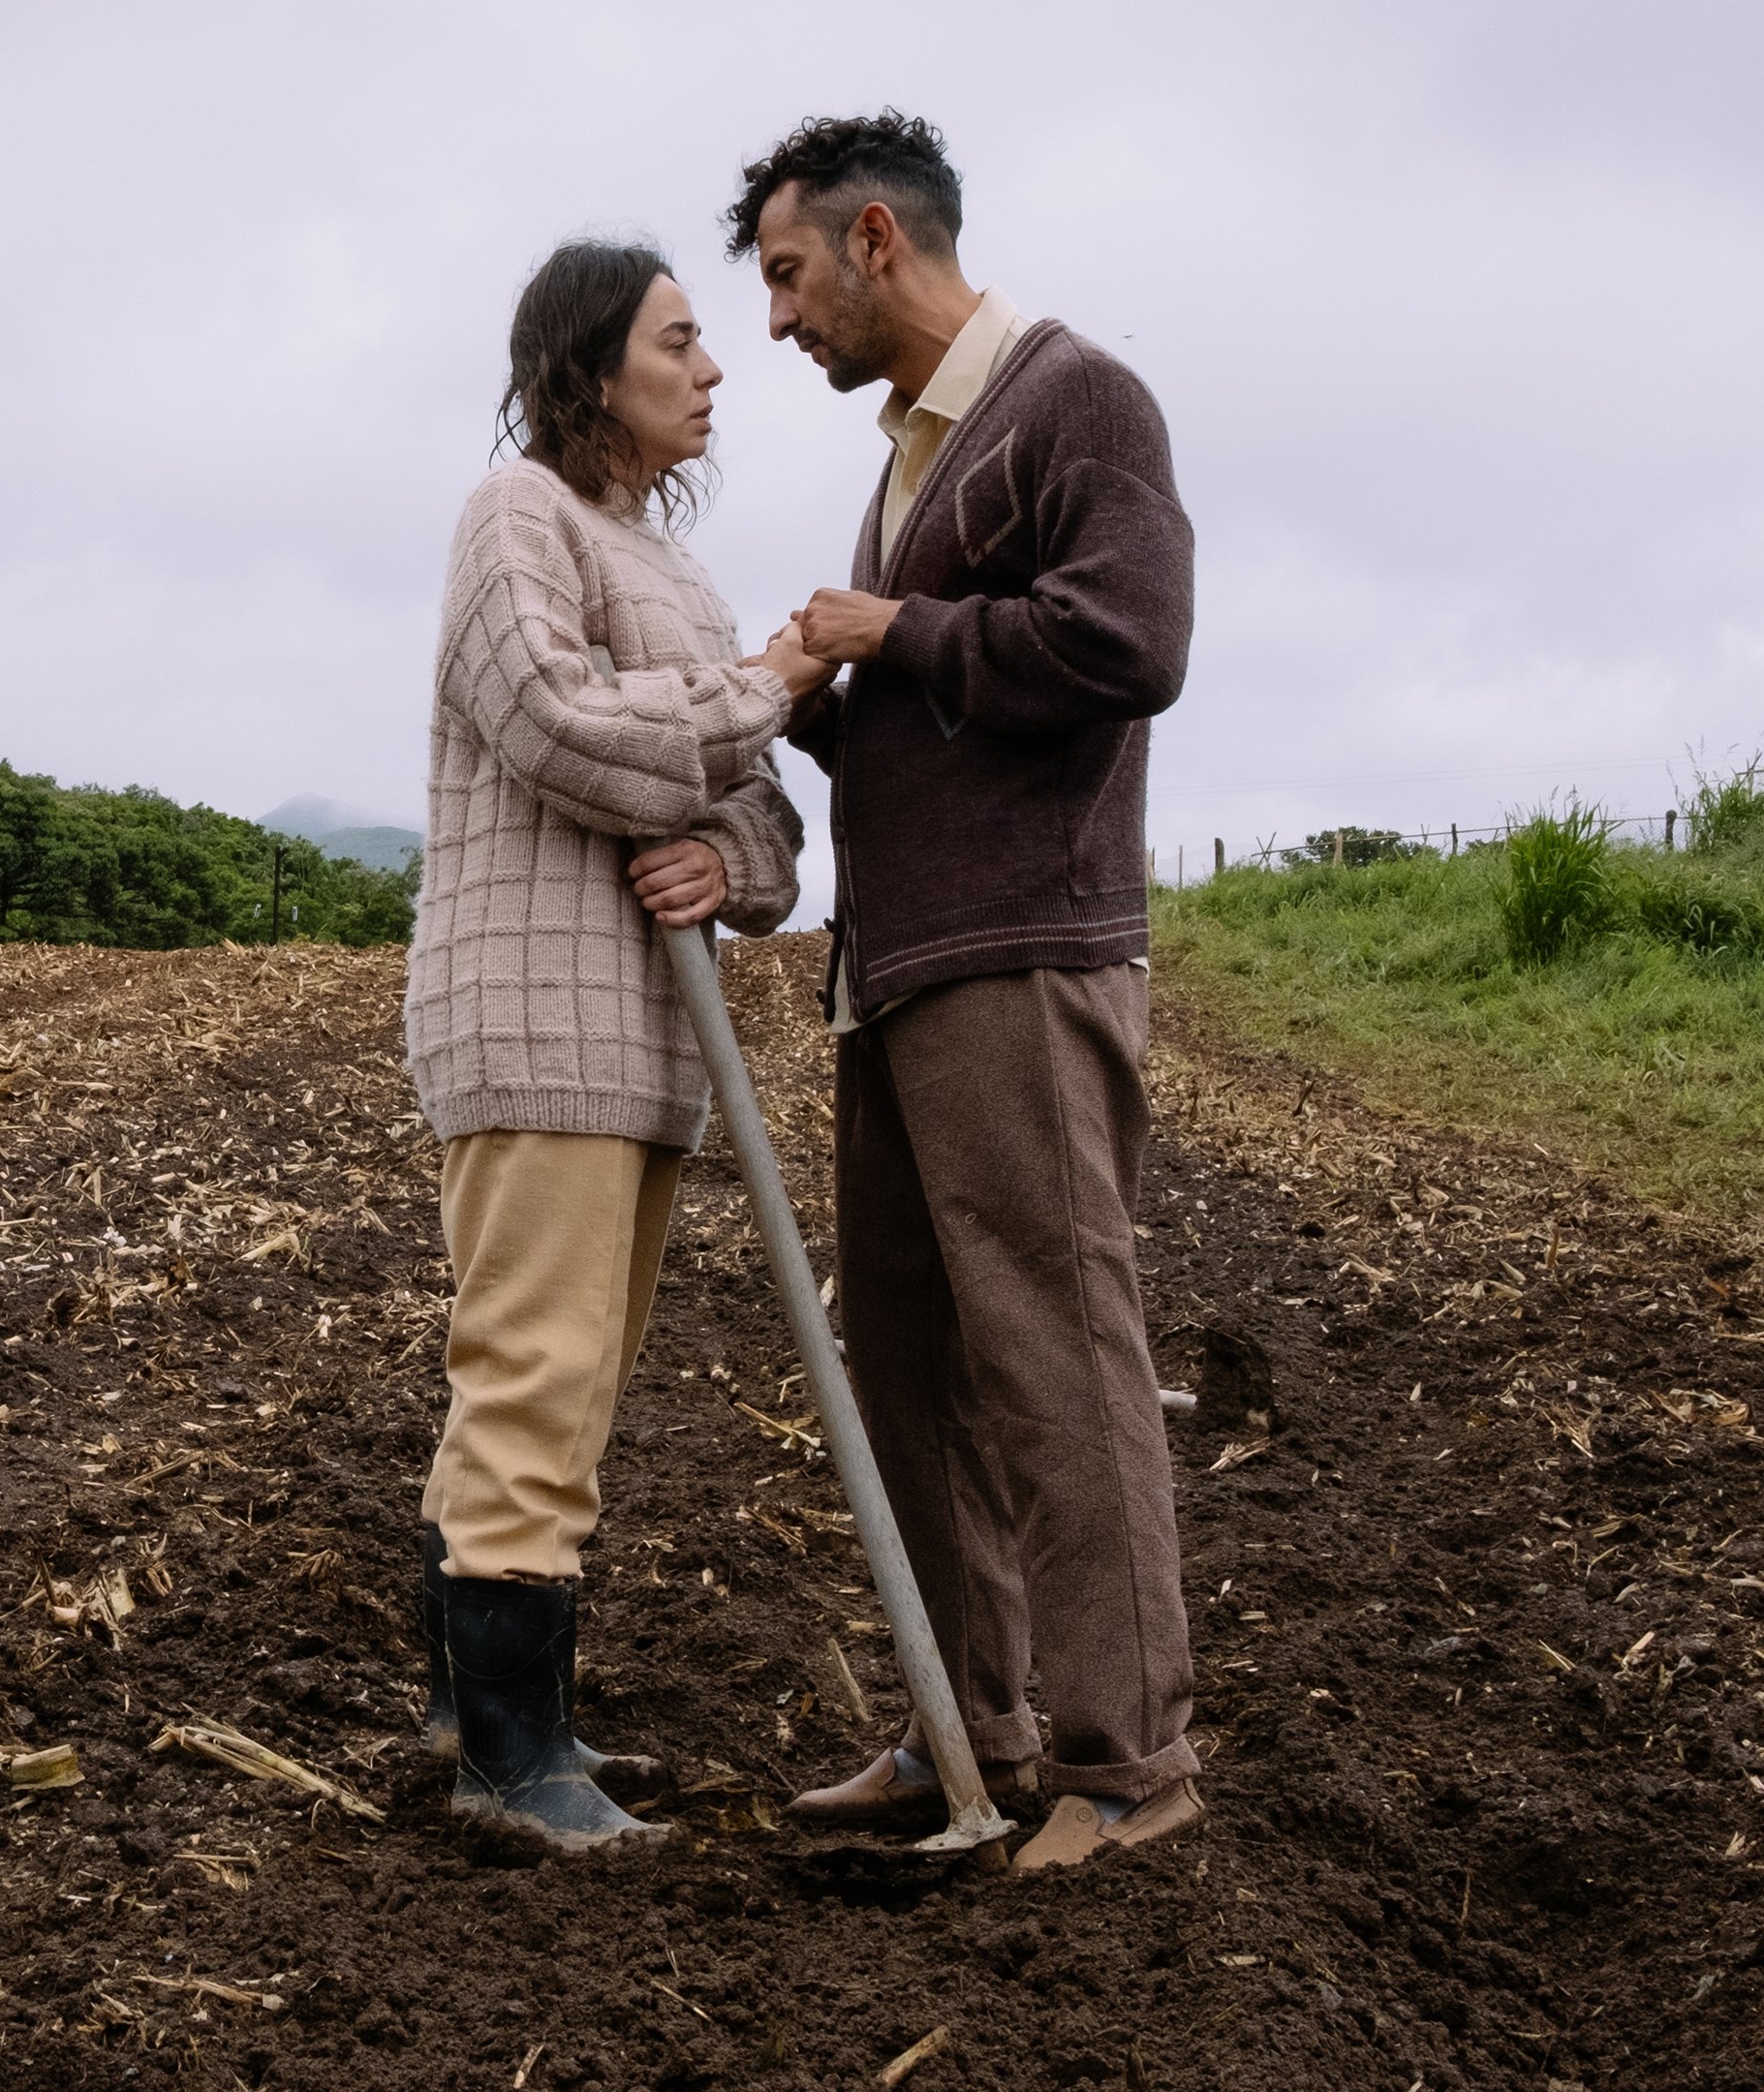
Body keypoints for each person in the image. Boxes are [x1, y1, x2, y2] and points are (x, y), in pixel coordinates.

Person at [726, 111, 1208, 1871]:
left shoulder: (1076, 401)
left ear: (872, 239)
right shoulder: (909, 463)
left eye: (784, 277)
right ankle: (970, 1732)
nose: (777, 326)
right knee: (913, 1362)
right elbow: (943, 719)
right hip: (900, 975)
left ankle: (1129, 1759)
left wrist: (893, 634)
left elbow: (1128, 644)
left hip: (1021, 955)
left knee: (1058, 1348)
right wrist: (812, 698)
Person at [404, 237, 819, 1852]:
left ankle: (490, 1714)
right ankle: (509, 1767)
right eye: (679, 339)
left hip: (652, 1047)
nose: (714, 368)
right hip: (535, 1017)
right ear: (585, 372)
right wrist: (760, 691)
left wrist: (733, 858)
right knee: (534, 1378)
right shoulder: (517, 517)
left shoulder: (681, 577)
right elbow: (560, 728)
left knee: (564, 1389)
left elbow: (762, 824)